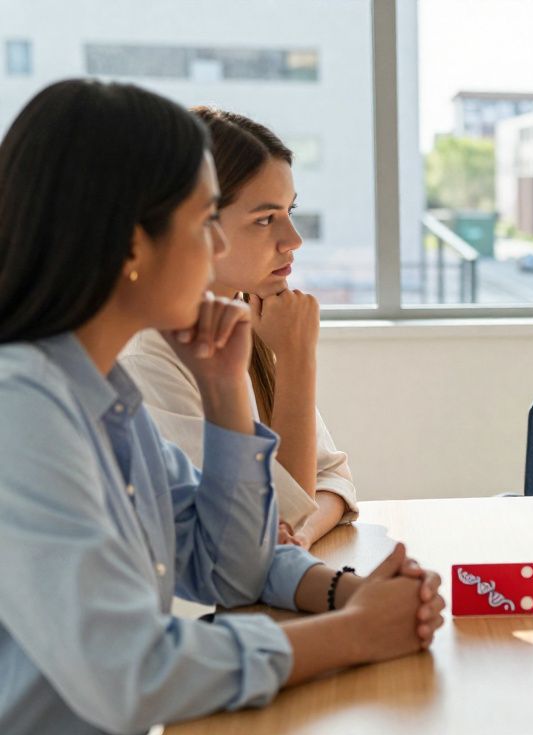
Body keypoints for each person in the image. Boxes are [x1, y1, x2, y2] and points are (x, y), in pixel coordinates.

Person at [0, 80, 444, 735]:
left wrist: (226, 392)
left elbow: (232, 567)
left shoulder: (103, 399)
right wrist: (354, 634)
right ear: (128, 242)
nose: (216, 251)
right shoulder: (24, 410)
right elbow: (130, 671)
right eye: (206, 219)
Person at [120, 107, 356, 548]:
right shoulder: (146, 359)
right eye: (265, 219)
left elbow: (332, 480)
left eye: (290, 211)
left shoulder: (247, 321)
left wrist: (298, 539)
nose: (293, 240)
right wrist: (297, 359)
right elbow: (265, 524)